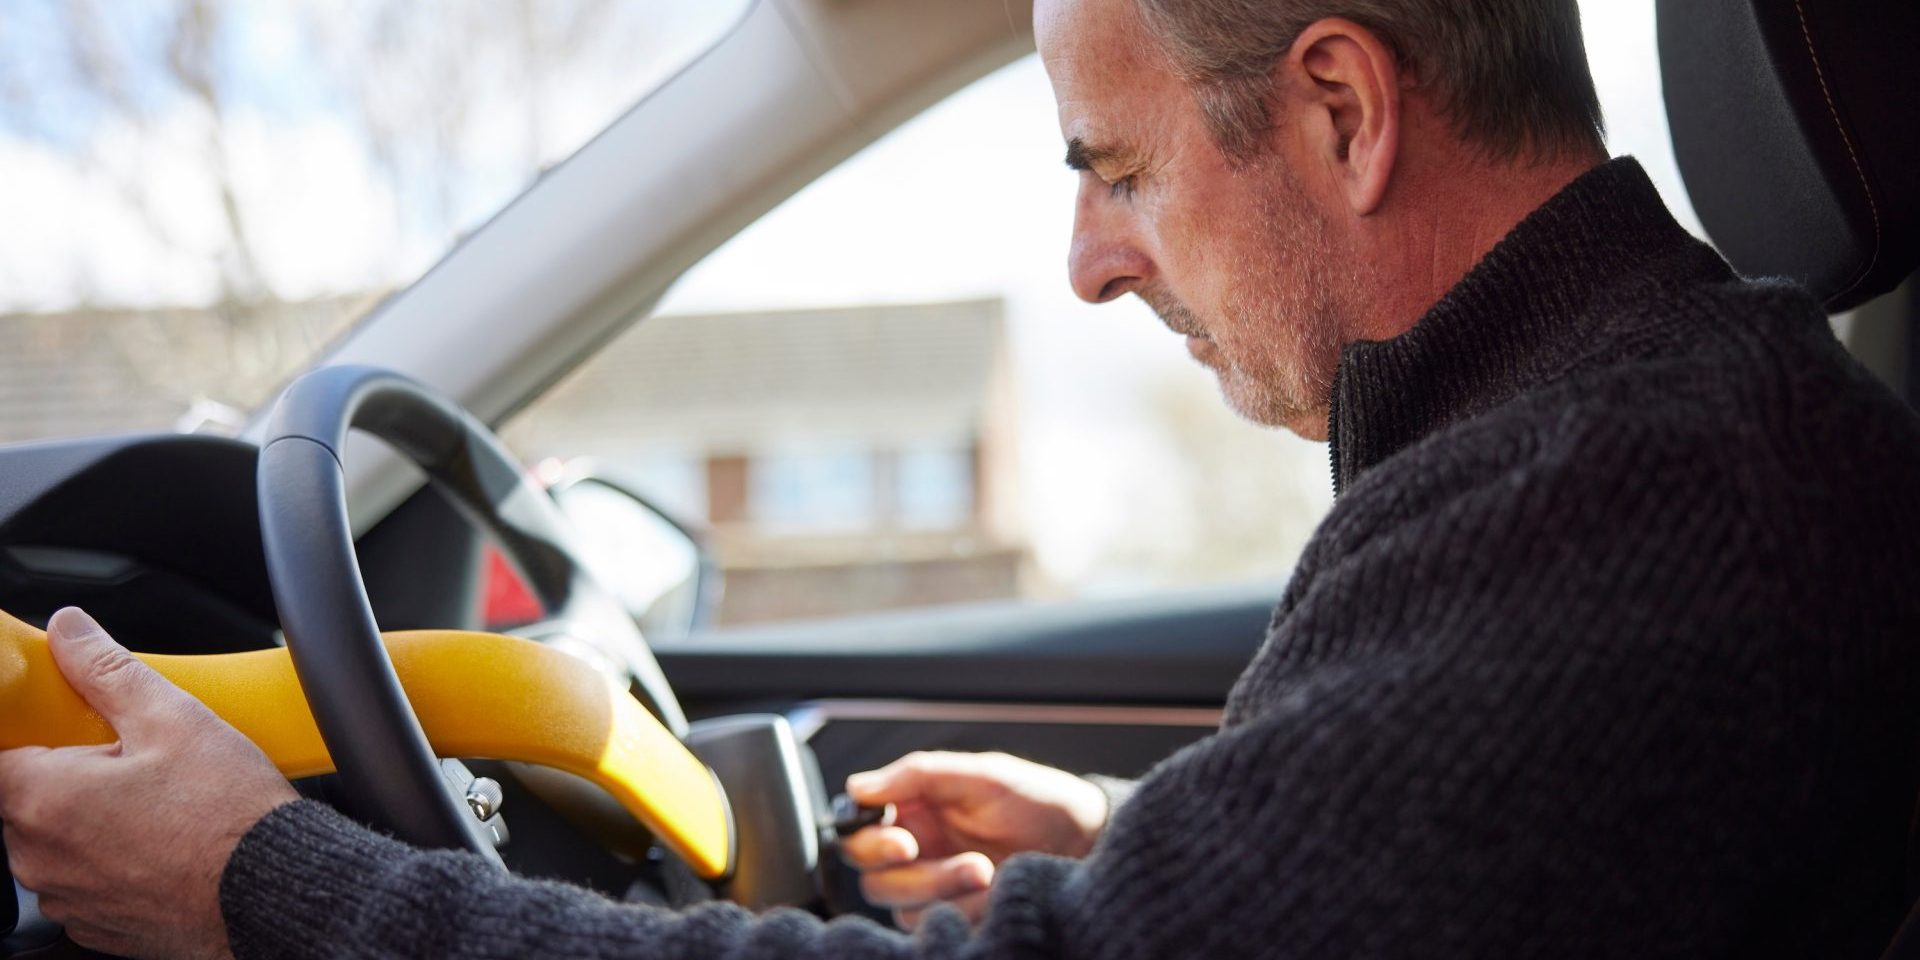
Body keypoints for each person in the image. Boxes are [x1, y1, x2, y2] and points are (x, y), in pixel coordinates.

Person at [6, 0, 1920, 955]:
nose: (1092, 262)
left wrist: (269, 883)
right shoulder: (1603, 448)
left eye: (1117, 167)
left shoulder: (1649, 493)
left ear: (1339, 113)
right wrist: (1144, 840)